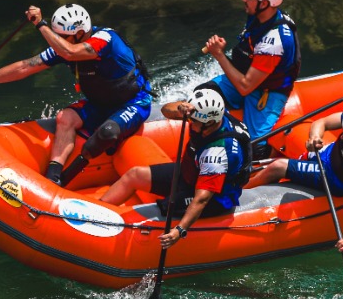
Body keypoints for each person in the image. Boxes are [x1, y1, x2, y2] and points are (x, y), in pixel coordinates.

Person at [0, 4, 152, 185]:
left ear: (80, 33)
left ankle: (69, 178)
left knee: (107, 133)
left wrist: (41, 24)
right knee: (64, 118)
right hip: (100, 104)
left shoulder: (105, 39)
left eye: (61, 36)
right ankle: (53, 178)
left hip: (133, 103)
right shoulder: (65, 47)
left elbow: (71, 53)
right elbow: (25, 67)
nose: (57, 41)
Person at [99, 87, 249, 252]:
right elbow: (166, 110)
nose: (191, 124)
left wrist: (180, 230)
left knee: (165, 206)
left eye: (195, 122)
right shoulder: (211, 113)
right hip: (192, 172)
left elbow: (201, 199)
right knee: (135, 175)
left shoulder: (217, 154)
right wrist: (180, 109)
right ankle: (95, 215)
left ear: (209, 123)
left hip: (215, 198)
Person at [249, 105, 343, 252]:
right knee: (297, 161)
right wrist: (315, 138)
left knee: (278, 167)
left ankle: (244, 190)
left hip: (335, 178)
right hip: (331, 154)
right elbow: (321, 122)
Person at [197, 0, 300, 155]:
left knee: (254, 148)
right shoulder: (259, 15)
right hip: (249, 76)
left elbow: (245, 87)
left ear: (264, 3)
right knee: (203, 95)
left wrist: (219, 55)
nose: (243, 0)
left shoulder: (274, 40)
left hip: (267, 92)